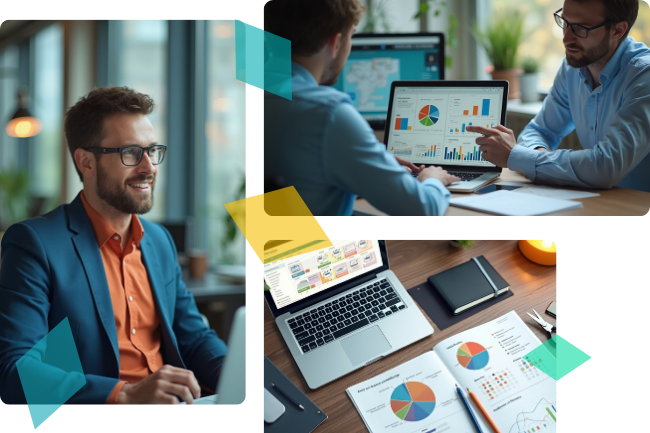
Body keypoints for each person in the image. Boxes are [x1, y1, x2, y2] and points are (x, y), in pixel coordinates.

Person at [0, 86, 227, 405]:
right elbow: (15, 371)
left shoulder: (159, 240)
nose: (148, 167)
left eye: (152, 150)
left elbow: (194, 336)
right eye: (131, 153)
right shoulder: (35, 244)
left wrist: (237, 378)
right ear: (86, 163)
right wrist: (126, 394)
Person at [263, 0, 461, 216]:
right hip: (321, 249)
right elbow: (423, 210)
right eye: (351, 36)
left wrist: (367, 161)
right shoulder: (328, 113)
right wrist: (432, 179)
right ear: (335, 42)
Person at [466, 0, 650, 192]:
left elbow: (606, 166)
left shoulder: (644, 76)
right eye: (565, 22)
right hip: (597, 202)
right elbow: (538, 132)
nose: (566, 38)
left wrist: (518, 156)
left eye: (580, 28)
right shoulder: (573, 68)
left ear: (617, 30)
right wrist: (537, 156)